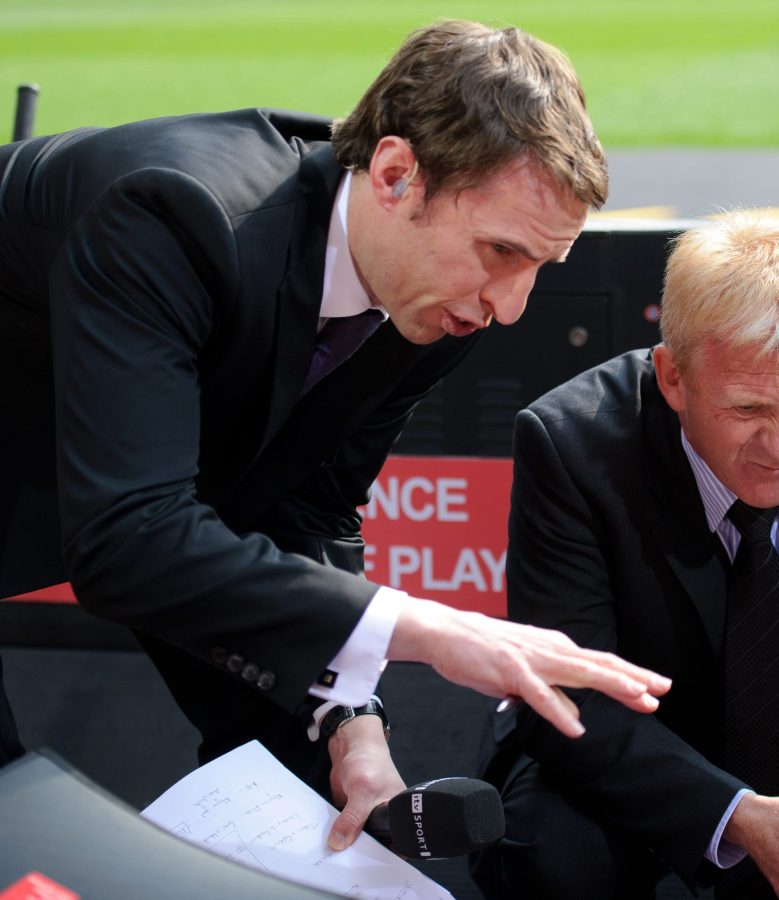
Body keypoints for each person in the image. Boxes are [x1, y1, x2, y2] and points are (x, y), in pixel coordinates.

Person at [0, 19, 671, 848]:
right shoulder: (174, 214)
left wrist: (353, 716)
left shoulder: (433, 300)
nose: (512, 306)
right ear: (394, 175)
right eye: (500, 250)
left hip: (96, 502)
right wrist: (427, 627)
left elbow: (306, 509)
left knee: (310, 787)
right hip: (90, 513)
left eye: (540, 265)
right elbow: (130, 543)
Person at [471, 209, 779, 899]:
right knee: (551, 852)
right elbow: (570, 699)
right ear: (672, 378)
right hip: (645, 752)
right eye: (748, 410)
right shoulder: (572, 444)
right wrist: (737, 815)